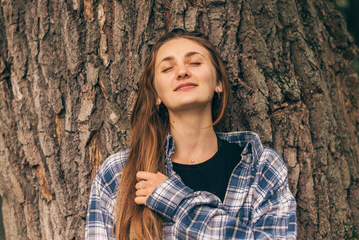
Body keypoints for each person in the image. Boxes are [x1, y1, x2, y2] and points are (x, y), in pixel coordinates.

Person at [85, 29, 297, 240]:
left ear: (218, 83)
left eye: (195, 63)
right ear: (156, 95)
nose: (182, 72)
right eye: (168, 68)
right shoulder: (119, 173)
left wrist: (176, 201)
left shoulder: (261, 167)